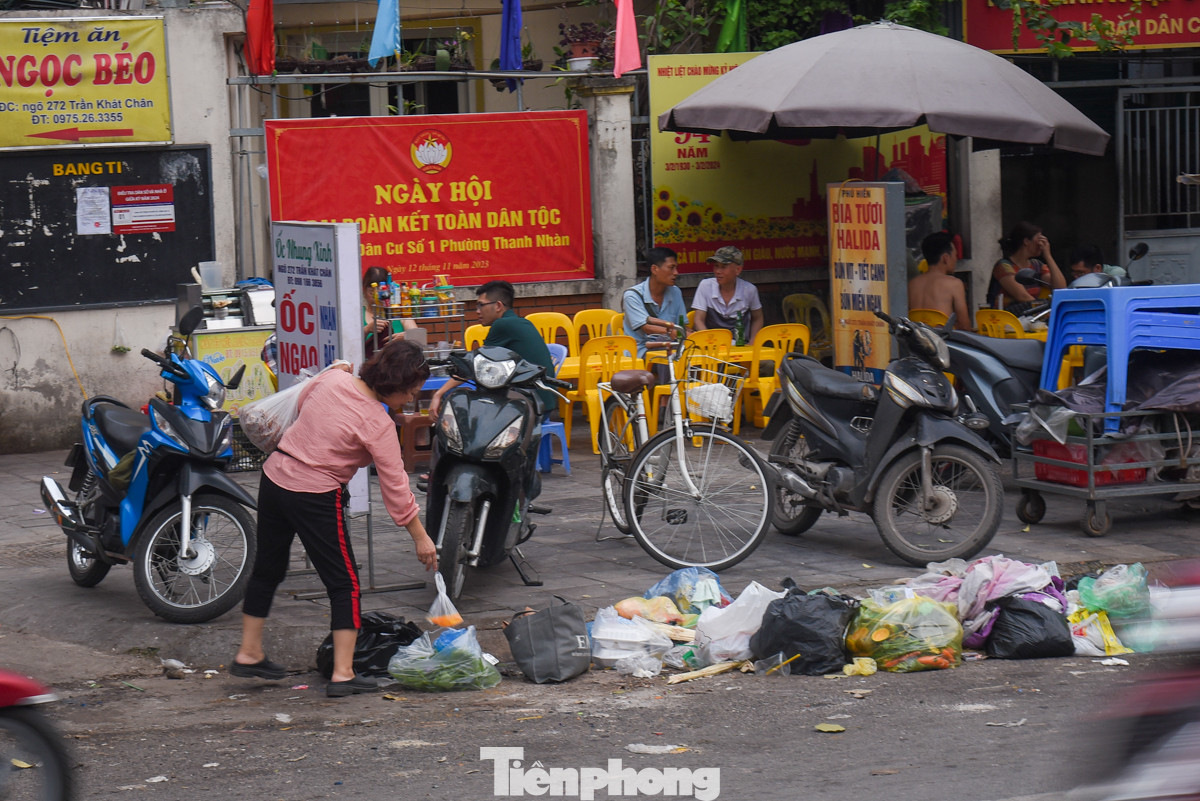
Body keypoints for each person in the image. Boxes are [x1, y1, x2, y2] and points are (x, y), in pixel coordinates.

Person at [233, 339, 436, 698]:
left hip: (276, 477)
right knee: (344, 584)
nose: (410, 399)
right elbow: (396, 488)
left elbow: (300, 406)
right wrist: (420, 537)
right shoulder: (377, 422)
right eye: (410, 391)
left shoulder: (333, 379)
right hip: (314, 494)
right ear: (395, 383)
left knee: (267, 568)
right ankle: (343, 674)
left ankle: (248, 653)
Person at [428, 280, 555, 417]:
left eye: (481, 305)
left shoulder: (502, 325)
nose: (477, 311)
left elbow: (473, 365)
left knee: (453, 396)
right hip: (543, 404)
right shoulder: (520, 322)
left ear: (498, 306)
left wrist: (438, 394)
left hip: (531, 408)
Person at [623, 246, 688, 358]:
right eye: (671, 268)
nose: (676, 273)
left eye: (676, 268)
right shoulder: (632, 296)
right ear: (654, 269)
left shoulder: (675, 292)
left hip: (670, 347)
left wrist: (694, 334)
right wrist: (674, 332)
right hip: (641, 351)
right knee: (670, 358)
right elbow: (647, 328)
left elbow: (682, 324)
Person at [691, 246, 764, 345]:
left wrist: (753, 342)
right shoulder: (705, 286)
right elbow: (698, 320)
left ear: (738, 270)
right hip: (712, 345)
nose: (718, 271)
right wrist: (709, 342)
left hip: (740, 346)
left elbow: (758, 318)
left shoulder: (749, 290)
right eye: (716, 266)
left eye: (723, 267)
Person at [990, 222, 1066, 309]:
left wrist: (1048, 256)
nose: (1041, 244)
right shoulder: (1004, 266)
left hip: (1033, 312)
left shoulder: (1037, 265)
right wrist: (1043, 309)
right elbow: (1023, 296)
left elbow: (1060, 288)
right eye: (1039, 240)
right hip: (1009, 314)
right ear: (1026, 241)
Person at [909, 231, 971, 330]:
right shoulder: (954, 284)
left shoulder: (912, 284)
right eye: (955, 255)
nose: (956, 259)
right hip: (943, 339)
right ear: (945, 258)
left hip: (916, 338)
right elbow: (964, 325)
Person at [362, 266, 417, 359]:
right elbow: (349, 343)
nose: (377, 296)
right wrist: (366, 330)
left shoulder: (399, 312)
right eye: (372, 292)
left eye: (382, 292)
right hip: (368, 365)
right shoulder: (358, 314)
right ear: (364, 291)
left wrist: (407, 336)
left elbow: (419, 337)